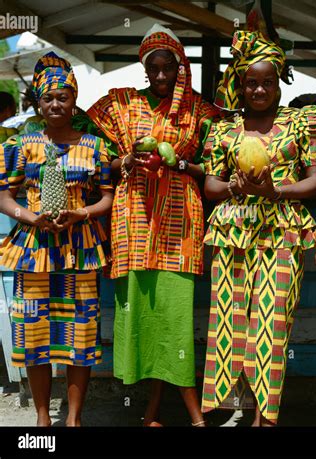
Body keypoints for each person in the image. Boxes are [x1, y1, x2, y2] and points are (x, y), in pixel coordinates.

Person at [86, 24, 219, 427]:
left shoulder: (201, 111)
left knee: (175, 318)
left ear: (182, 67)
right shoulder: (120, 105)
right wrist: (123, 161)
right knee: (142, 315)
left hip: (180, 224)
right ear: (144, 68)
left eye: (169, 68)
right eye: (154, 68)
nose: (161, 76)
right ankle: (151, 411)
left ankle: (190, 414)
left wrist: (179, 163)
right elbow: (94, 154)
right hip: (133, 221)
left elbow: (215, 167)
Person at [201, 30, 316, 426]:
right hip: (231, 234)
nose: (259, 89)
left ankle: (265, 419)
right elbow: (210, 185)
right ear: (240, 84)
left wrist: (277, 191)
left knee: (272, 329)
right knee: (231, 323)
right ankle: (239, 406)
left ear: (280, 81)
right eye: (251, 82)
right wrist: (232, 186)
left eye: (267, 82)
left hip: (282, 232)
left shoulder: (303, 121)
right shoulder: (223, 127)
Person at [0, 52, 114, 426]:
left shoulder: (95, 147)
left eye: (62, 97)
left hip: (79, 251)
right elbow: (3, 196)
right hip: (32, 253)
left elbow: (107, 197)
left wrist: (80, 214)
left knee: (80, 337)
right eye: (47, 98)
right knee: (34, 338)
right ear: (37, 101)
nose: (54, 104)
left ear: (73, 100)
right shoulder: (19, 145)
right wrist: (32, 218)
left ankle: (74, 419)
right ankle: (42, 418)